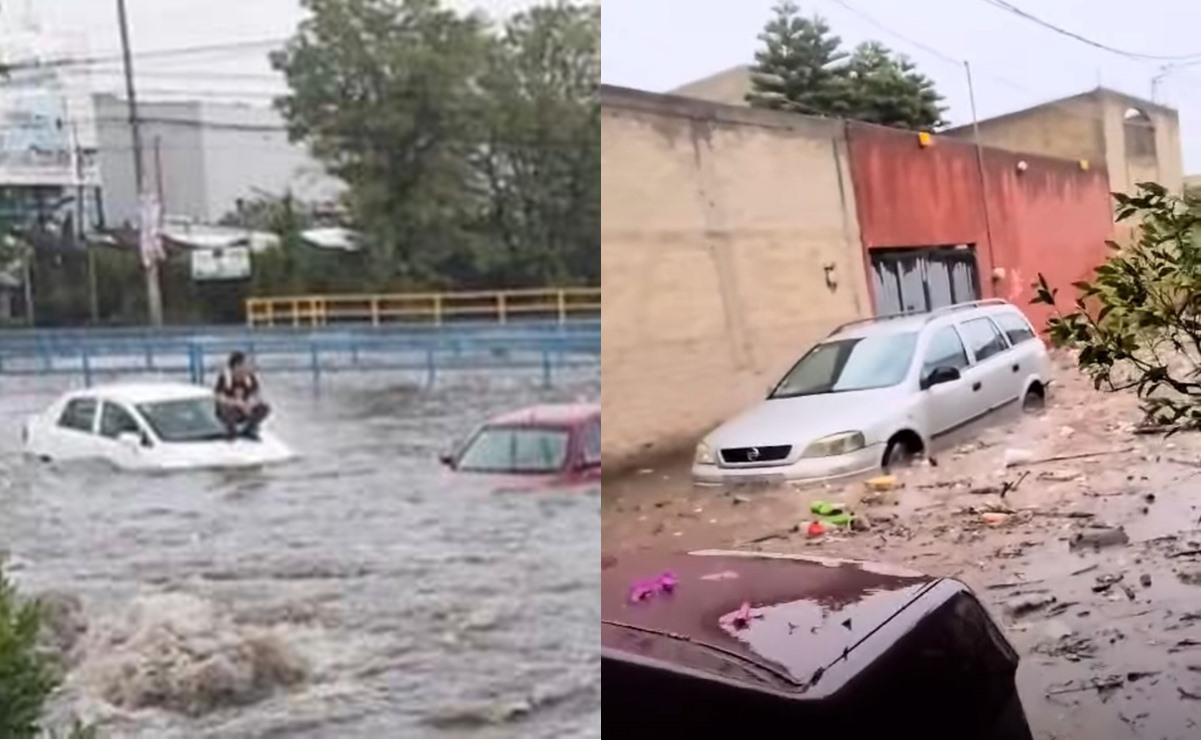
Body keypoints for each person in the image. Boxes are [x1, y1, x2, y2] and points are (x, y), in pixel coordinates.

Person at [214, 351, 270, 440]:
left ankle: (250, 428)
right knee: (226, 409)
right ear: (237, 366)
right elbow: (219, 397)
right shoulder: (225, 378)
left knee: (264, 407)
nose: (248, 367)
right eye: (245, 364)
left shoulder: (250, 378)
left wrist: (250, 404)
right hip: (231, 409)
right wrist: (236, 403)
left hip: (246, 408)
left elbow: (256, 394)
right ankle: (231, 432)